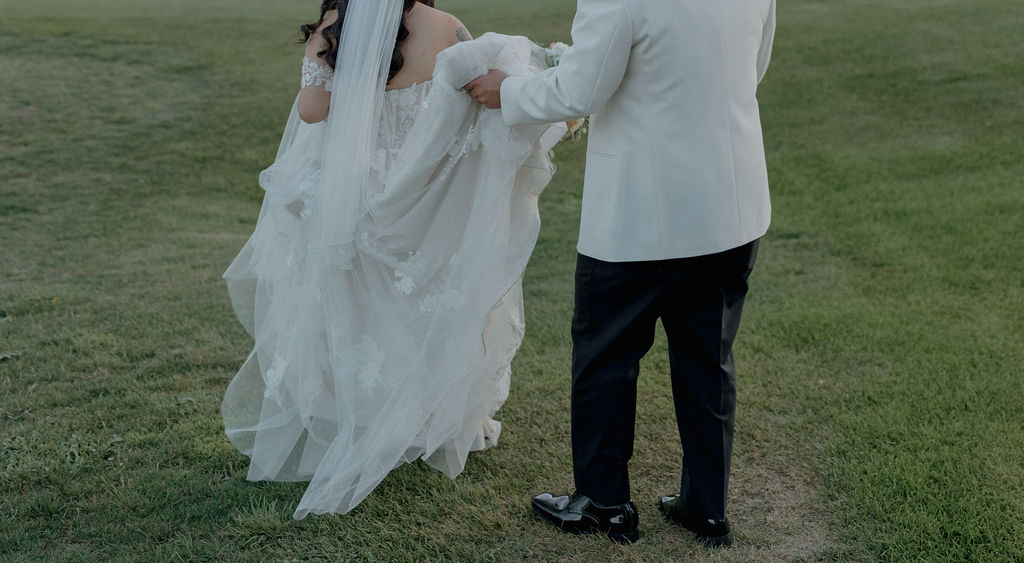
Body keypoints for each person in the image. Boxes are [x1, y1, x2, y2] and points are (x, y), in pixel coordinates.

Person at [221, 0, 564, 519]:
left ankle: (357, 416)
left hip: (350, 186)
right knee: (423, 301)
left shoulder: (334, 28)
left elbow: (312, 110)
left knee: (354, 302)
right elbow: (466, 104)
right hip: (419, 187)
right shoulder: (446, 27)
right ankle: (426, 419)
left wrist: (356, 88)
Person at [465, 0, 776, 546]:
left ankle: (605, 503)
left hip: (640, 216)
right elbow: (751, 66)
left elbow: (581, 93)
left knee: (605, 358)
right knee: (708, 359)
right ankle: (707, 509)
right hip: (731, 202)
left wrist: (507, 92)